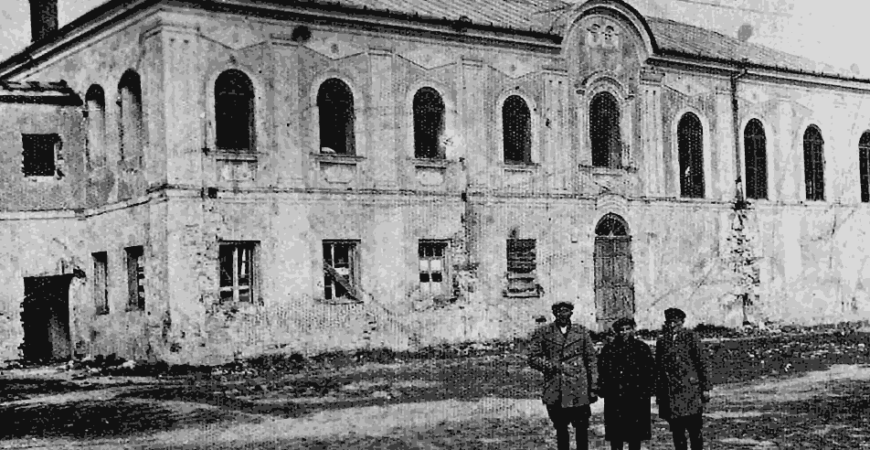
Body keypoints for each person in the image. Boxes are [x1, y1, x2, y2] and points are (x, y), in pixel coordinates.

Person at [529, 301, 598, 450]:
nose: (562, 314)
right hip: (556, 385)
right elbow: (533, 357)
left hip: (579, 385)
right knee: (560, 427)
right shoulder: (544, 332)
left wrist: (593, 386)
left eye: (566, 311)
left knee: (581, 427)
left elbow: (591, 359)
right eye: (559, 311)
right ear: (554, 314)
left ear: (571, 313)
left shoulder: (581, 332)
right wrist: (550, 365)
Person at [655, 308, 711, 450]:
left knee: (694, 429)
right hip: (671, 393)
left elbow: (702, 363)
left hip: (690, 390)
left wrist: (705, 388)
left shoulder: (691, 337)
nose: (672, 325)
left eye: (675, 322)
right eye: (669, 322)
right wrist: (659, 393)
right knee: (677, 431)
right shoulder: (662, 341)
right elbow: (659, 368)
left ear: (682, 322)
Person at [598, 317, 655, 450]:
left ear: (633, 330)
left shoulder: (641, 348)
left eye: (627, 329)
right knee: (616, 436)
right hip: (615, 398)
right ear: (617, 332)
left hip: (636, 397)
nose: (624, 332)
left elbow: (650, 372)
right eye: (621, 330)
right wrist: (604, 389)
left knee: (635, 436)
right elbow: (602, 371)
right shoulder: (609, 349)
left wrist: (647, 390)